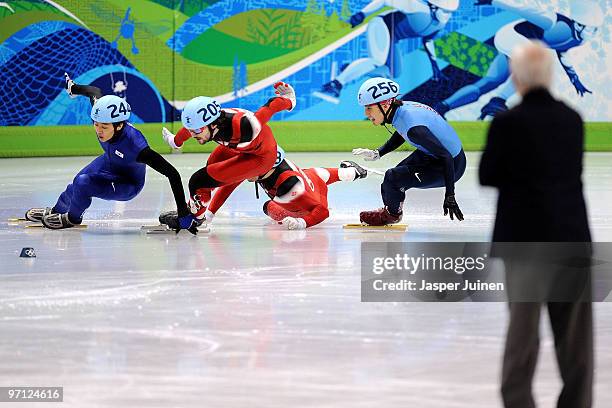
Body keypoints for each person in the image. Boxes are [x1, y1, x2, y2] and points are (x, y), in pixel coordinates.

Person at [479, 41, 592, 408]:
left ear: (516, 76)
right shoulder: (572, 119)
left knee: (522, 335)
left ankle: (518, 402)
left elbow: (488, 174)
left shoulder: (507, 122)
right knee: (575, 338)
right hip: (571, 237)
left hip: (524, 239)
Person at [25, 74, 197, 233]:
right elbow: (94, 92)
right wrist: (73, 88)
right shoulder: (103, 112)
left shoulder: (135, 146)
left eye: (104, 127)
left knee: (83, 183)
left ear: (119, 125)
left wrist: (182, 213)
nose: (99, 131)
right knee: (75, 186)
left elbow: (172, 174)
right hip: (109, 161)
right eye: (96, 124)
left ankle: (72, 218)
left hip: (127, 183)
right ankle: (57, 210)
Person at [434, 0, 604, 120]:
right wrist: (493, 1)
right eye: (590, 29)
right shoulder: (552, 22)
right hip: (511, 37)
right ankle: (498, 100)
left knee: (490, 82)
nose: (592, 34)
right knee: (532, 68)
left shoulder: (578, 39)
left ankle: (442, 107)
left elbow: (563, 52)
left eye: (595, 30)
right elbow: (524, 9)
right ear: (578, 24)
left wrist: (575, 79)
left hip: (520, 45)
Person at [159, 82, 295, 228]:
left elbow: (269, 108)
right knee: (210, 170)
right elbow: (189, 129)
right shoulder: (207, 123)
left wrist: (289, 100)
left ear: (213, 125)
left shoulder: (245, 126)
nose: (193, 135)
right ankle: (195, 209)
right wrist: (176, 141)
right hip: (242, 147)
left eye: (197, 131)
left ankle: (194, 220)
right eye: (191, 130)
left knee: (198, 181)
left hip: (261, 157)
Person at [352, 77, 465, 225]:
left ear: (385, 105)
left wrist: (450, 195)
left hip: (451, 165)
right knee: (395, 177)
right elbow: (401, 131)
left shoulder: (415, 130)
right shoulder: (401, 110)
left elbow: (446, 157)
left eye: (369, 108)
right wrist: (378, 152)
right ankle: (391, 207)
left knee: (393, 177)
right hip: (433, 155)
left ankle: (392, 215)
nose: (366, 114)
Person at [313, 0, 459, 104]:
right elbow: (385, 0)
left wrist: (435, 66)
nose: (447, 16)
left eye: (450, 13)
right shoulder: (418, 7)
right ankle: (335, 85)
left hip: (393, 38)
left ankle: (349, 68)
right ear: (433, 7)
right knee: (378, 62)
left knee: (392, 72)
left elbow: (427, 41)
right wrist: (362, 14)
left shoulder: (440, 25)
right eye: (444, 11)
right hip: (381, 26)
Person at [253, 151, 368, 230]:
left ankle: (350, 173)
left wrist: (302, 223)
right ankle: (350, 173)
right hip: (310, 176)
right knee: (316, 174)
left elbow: (323, 211)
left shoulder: (289, 186)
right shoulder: (269, 162)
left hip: (310, 196)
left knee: (270, 208)